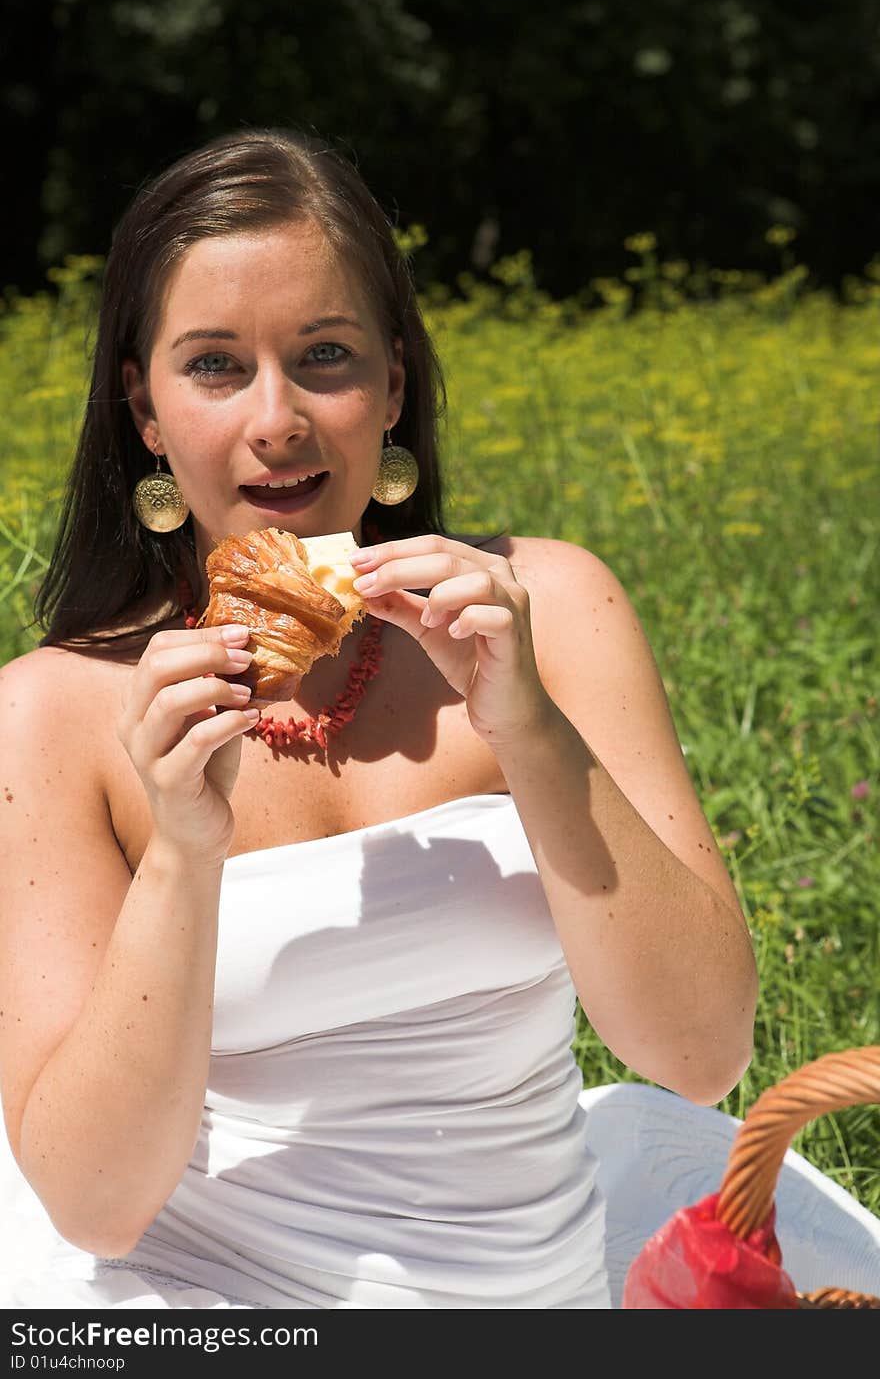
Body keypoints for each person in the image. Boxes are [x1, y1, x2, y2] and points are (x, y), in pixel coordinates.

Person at [0, 126, 758, 1311]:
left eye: (325, 356)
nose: (278, 417)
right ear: (143, 411)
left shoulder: (549, 605)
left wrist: (531, 730)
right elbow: (97, 1203)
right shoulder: (52, 714)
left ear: (393, 383)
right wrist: (183, 855)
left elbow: (700, 1056)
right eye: (212, 366)